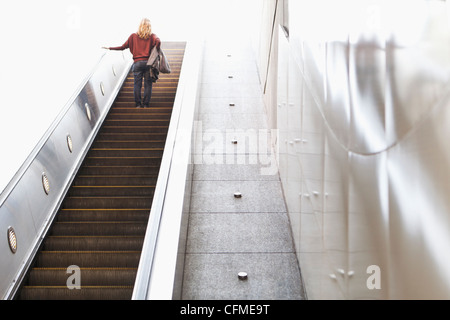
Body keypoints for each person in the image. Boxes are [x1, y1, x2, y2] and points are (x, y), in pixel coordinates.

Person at [103, 18, 161, 108]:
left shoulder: (133, 36)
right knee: (147, 85)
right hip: (148, 64)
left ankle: (138, 104)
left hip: (137, 63)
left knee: (137, 85)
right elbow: (158, 42)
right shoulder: (152, 36)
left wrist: (110, 48)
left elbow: (122, 47)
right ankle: (145, 104)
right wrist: (155, 51)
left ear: (140, 26)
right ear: (149, 27)